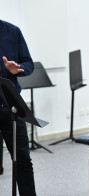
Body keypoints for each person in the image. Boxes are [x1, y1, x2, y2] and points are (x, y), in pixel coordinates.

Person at [0, 19, 36, 196]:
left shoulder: (13, 32)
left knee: (22, 160)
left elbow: (29, 64)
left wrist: (18, 68)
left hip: (10, 105)